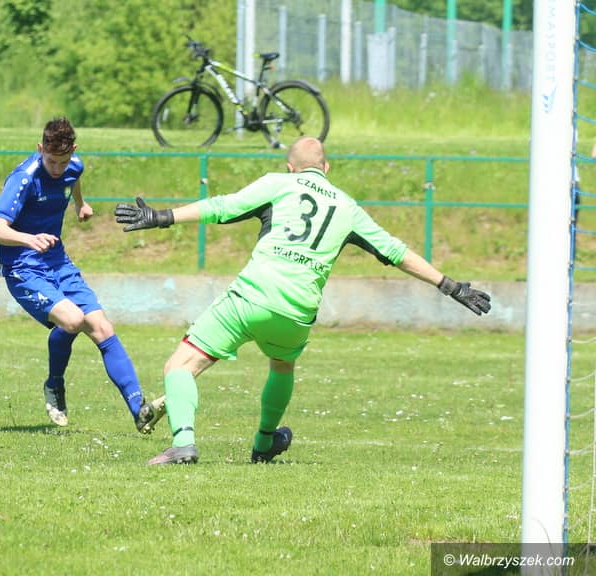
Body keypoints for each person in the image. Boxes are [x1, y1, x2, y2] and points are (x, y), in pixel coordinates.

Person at [115, 136, 492, 465]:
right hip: (297, 313)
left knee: (180, 365)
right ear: (326, 168)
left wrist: (162, 216)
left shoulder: (279, 183)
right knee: (282, 365)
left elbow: (223, 207)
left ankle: (183, 444)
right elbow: (394, 251)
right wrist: (450, 285)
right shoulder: (347, 207)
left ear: (290, 167)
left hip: (252, 296)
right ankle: (264, 442)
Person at [0, 116, 165, 433]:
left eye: (63, 161)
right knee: (72, 321)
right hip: (22, 267)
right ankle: (54, 384)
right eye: (51, 161)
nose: (57, 168)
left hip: (57, 261)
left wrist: (80, 204)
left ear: (74, 151)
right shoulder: (24, 178)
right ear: (40, 148)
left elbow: (73, 179)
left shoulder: (74, 166)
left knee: (102, 327)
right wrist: (29, 239)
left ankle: (139, 410)